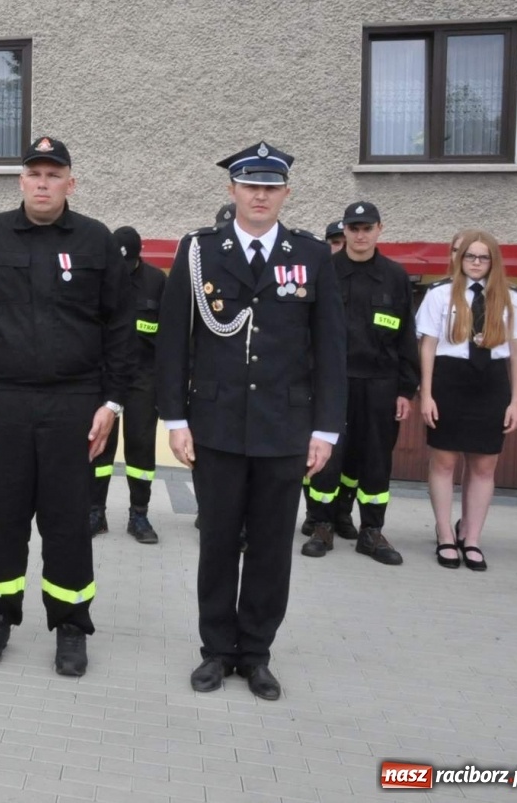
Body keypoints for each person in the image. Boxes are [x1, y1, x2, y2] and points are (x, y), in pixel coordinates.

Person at [157, 142, 346, 701]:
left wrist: (326, 429)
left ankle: (256, 653)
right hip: (215, 424)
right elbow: (173, 341)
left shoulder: (311, 254)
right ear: (232, 190)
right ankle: (217, 650)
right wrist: (175, 417)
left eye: (270, 187)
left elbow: (330, 347)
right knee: (217, 542)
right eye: (250, 186)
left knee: (270, 546)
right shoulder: (198, 251)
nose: (260, 196)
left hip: (285, 426)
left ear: (286, 193)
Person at [0, 136, 133, 678]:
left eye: (54, 175)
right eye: (35, 174)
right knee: (2, 516)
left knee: (68, 520)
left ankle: (71, 625)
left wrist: (113, 402)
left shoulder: (97, 240)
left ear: (71, 183)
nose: (43, 183)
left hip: (74, 403)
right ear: (21, 181)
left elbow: (121, 329)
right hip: (2, 400)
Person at [299, 202, 417, 564]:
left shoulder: (395, 276)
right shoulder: (325, 271)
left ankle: (371, 531)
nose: (360, 235)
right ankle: (321, 525)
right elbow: (305, 331)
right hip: (332, 384)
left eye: (367, 228)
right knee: (327, 458)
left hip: (380, 384)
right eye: (354, 229)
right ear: (345, 231)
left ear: (380, 229)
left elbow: (406, 337)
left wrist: (406, 389)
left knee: (376, 459)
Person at [418, 230, 517, 573]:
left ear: (494, 260)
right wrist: (426, 394)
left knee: (484, 466)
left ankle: (471, 537)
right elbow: (427, 346)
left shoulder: (512, 296)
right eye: (470, 256)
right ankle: (444, 534)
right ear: (460, 258)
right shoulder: (439, 293)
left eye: (484, 257)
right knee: (444, 462)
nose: (477, 263)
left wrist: (515, 402)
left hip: (491, 384)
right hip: (449, 381)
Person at [90, 226, 167, 544]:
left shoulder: (156, 281)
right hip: (104, 377)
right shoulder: (99, 277)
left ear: (139, 257)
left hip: (142, 378)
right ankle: (95, 512)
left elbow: (169, 336)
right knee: (99, 445)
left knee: (140, 446)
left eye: (129, 264)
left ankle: (139, 514)